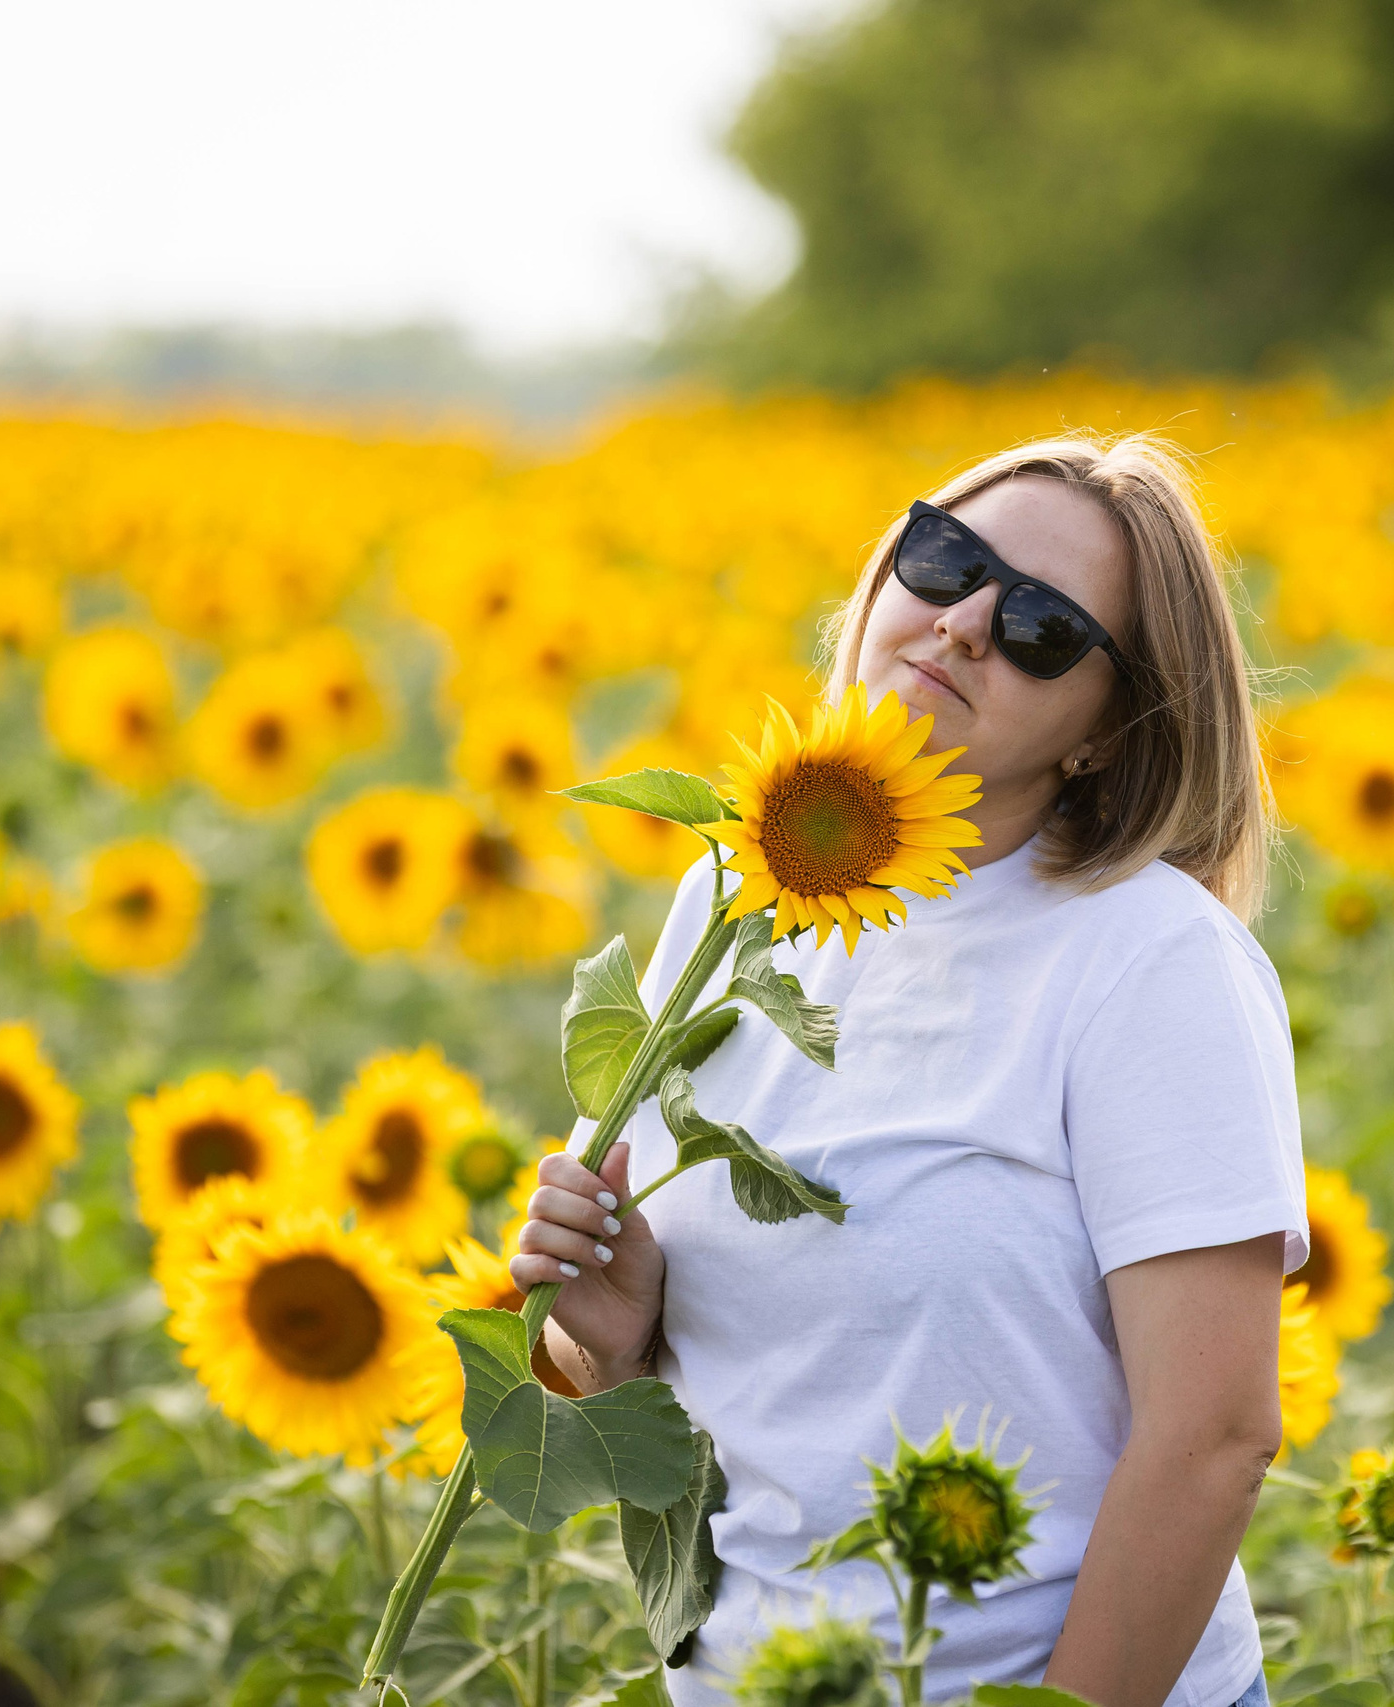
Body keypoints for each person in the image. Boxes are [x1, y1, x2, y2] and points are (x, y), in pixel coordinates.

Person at [512, 434, 1308, 1707]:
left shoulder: (1147, 960)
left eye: (1045, 627)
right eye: (946, 560)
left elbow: (1212, 1441)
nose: (966, 623)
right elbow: (741, 1391)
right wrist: (619, 1336)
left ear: (1104, 733)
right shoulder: (731, 901)